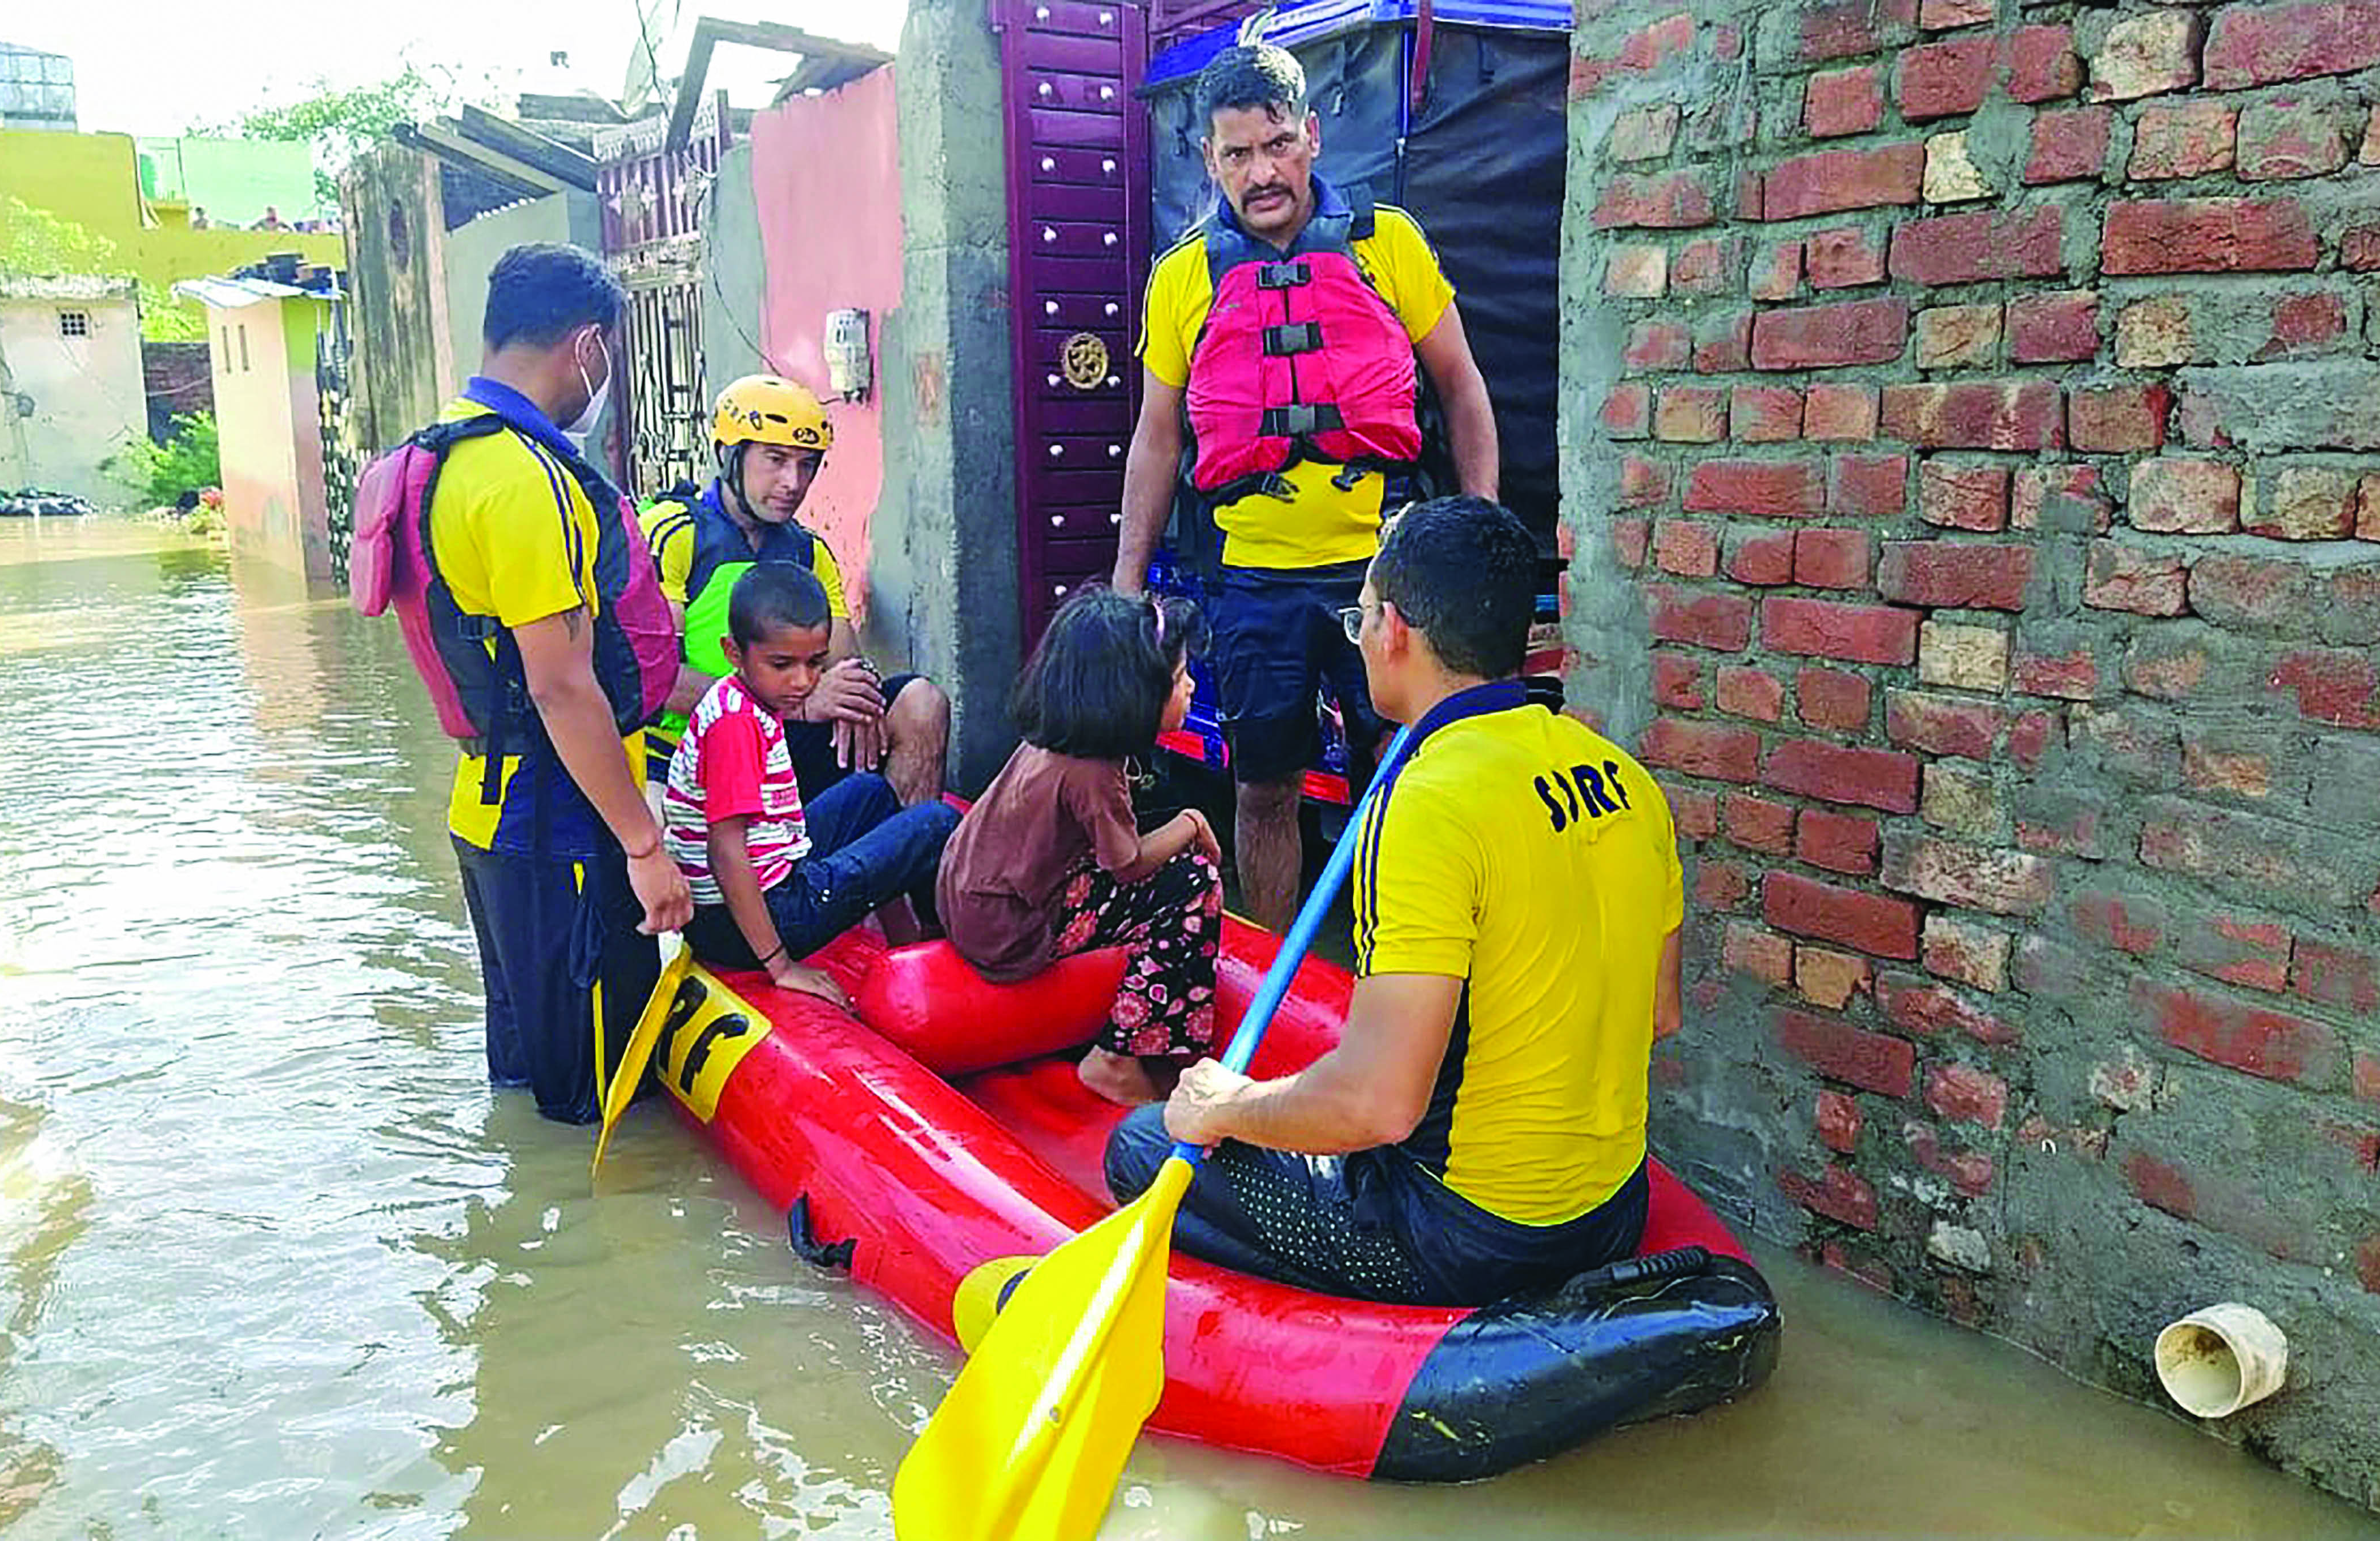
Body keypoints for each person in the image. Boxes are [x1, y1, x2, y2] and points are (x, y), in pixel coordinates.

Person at [1104, 497, 1683, 1308]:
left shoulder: (1422, 800)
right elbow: (1658, 1016)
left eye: (1362, 616)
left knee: (1141, 1143)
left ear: (1395, 631)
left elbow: (1380, 1105)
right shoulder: (1627, 779)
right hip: (1615, 1213)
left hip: (1466, 1240)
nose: (1362, 634)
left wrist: (1230, 1106)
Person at [1110, 41, 1500, 930]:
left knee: (1406, 782)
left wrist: (1478, 526)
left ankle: (1397, 965)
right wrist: (1129, 583)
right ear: (1209, 160)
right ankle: (1275, 989)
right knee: (1262, 787)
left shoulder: (1386, 244)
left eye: (1278, 144)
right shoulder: (1181, 279)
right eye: (1238, 153)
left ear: (1313, 138)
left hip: (1386, 574)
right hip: (1252, 583)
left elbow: (1462, 385)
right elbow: (1158, 437)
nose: (1262, 171)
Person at [421, 243, 695, 1124]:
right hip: (559, 828)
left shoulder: (449, 454)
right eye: (608, 353)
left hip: (487, 815)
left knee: (529, 1081)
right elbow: (562, 687)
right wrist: (644, 849)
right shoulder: (523, 480)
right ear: (587, 347)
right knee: (600, 1106)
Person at [937, 588, 1224, 1106]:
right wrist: (1191, 823)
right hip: (1010, 934)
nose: (1190, 687)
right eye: (1180, 679)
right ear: (1133, 693)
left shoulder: (1057, 738)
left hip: (972, 904)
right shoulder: (1095, 770)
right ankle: (1118, 1057)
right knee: (1194, 881)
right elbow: (1129, 865)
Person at [643, 374, 950, 805]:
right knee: (654, 830)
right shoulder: (675, 533)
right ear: (730, 455)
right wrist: (791, 705)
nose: (794, 481)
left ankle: (903, 856)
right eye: (776, 459)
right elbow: (657, 680)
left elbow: (846, 662)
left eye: (807, 464)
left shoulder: (809, 550)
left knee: (921, 704)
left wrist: (854, 694)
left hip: (785, 747)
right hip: (690, 753)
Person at [665, 563, 961, 1008]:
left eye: (815, 663)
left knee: (870, 793)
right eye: (782, 665)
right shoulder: (735, 726)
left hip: (763, 882)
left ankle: (909, 945)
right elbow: (725, 851)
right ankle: (946, 953)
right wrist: (781, 965)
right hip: (745, 922)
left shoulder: (746, 697)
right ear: (734, 653)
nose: (803, 681)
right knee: (936, 824)